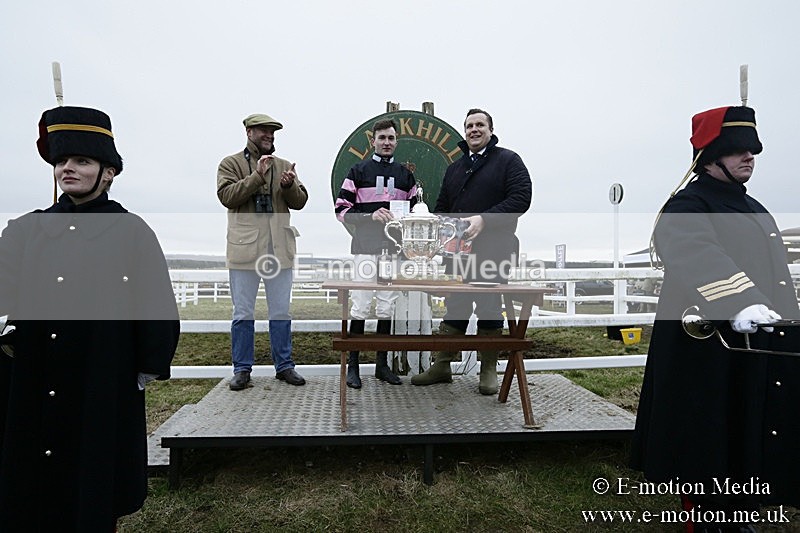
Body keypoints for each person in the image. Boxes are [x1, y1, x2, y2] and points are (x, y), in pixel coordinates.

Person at [0, 106, 180, 531]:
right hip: (34, 374)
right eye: (62, 160)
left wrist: (147, 364)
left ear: (108, 173)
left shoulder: (131, 231)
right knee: (31, 485)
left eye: (81, 161)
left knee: (93, 484)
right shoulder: (27, 229)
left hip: (100, 376)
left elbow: (156, 303)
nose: (68, 168)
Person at [631, 105, 800, 528]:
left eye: (752, 150)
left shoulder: (754, 207)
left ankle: (741, 510)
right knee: (708, 434)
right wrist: (740, 301)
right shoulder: (687, 205)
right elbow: (695, 252)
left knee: (749, 424)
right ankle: (706, 516)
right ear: (710, 156)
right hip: (706, 348)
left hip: (756, 341)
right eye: (737, 149)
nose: (749, 156)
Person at [411, 108, 532, 395]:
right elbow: (442, 207)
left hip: (495, 249)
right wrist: (439, 234)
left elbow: (521, 198)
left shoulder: (508, 160)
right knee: (456, 305)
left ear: (491, 130)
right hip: (458, 252)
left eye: (480, 125)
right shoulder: (455, 168)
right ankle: (442, 365)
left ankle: (488, 370)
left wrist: (484, 219)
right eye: (469, 126)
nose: (474, 130)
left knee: (489, 307)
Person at [217, 113, 308, 390]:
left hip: (279, 250)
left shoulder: (284, 166)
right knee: (243, 312)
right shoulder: (230, 163)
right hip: (245, 251)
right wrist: (257, 176)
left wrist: (289, 186)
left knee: (281, 312)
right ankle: (242, 370)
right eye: (264, 131)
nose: (269, 135)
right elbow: (227, 196)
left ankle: (285, 366)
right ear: (249, 132)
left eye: (272, 132)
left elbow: (300, 201)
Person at [334, 119, 417, 388]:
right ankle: (353, 367)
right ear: (373, 141)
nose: (386, 142)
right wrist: (370, 215)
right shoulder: (358, 171)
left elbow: (415, 213)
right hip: (365, 250)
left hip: (392, 251)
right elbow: (341, 210)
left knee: (386, 306)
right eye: (382, 138)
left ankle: (382, 366)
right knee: (360, 305)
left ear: (396, 141)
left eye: (391, 138)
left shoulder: (405, 175)